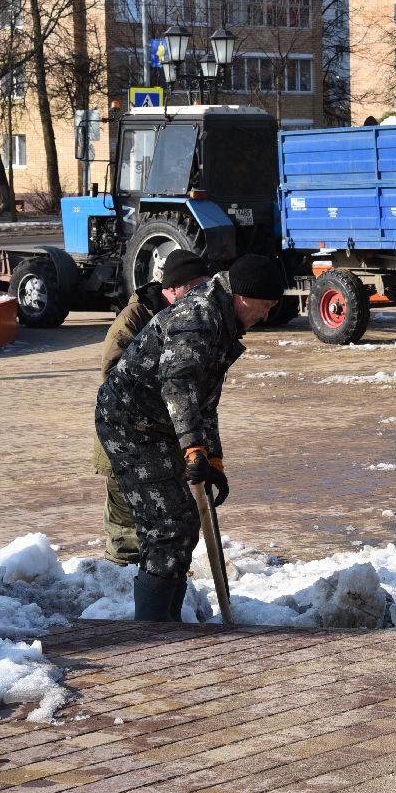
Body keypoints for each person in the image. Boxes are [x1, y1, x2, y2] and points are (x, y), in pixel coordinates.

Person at [94, 253, 285, 621]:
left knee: (184, 520)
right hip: (132, 424)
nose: (264, 317)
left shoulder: (223, 320)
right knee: (166, 523)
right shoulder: (197, 318)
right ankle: (153, 631)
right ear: (243, 297)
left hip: (162, 422)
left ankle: (167, 623)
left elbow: (203, 402)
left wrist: (212, 458)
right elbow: (178, 386)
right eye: (263, 308)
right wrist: (192, 448)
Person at [94, 250, 213, 565]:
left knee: (167, 528)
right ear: (173, 289)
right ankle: (118, 599)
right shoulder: (134, 319)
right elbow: (115, 381)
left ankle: (158, 594)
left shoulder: (193, 320)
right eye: (196, 287)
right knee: (128, 532)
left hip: (165, 445)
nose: (203, 295)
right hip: (127, 444)